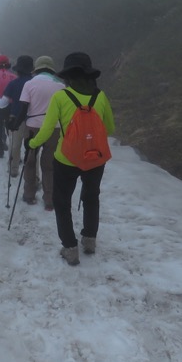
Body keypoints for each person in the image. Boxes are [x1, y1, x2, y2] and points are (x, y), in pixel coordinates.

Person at [26, 52, 115, 266]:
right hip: (95, 159)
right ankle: (90, 240)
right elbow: (109, 128)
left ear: (68, 75)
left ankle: (70, 248)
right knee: (92, 198)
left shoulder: (61, 97)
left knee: (62, 202)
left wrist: (33, 143)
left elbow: (47, 130)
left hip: (66, 159)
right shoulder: (100, 96)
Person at [7, 55, 63, 210]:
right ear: (51, 69)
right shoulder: (60, 85)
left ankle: (29, 195)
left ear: (36, 69)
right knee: (49, 163)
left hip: (33, 127)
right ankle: (50, 199)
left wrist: (15, 125)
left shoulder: (30, 84)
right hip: (55, 127)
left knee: (31, 161)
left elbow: (23, 108)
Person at [0, 55, 34, 176]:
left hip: (16, 118)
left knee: (15, 146)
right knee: (32, 148)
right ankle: (34, 174)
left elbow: (3, 104)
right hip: (33, 120)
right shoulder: (35, 83)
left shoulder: (13, 83)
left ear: (18, 70)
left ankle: (13, 169)